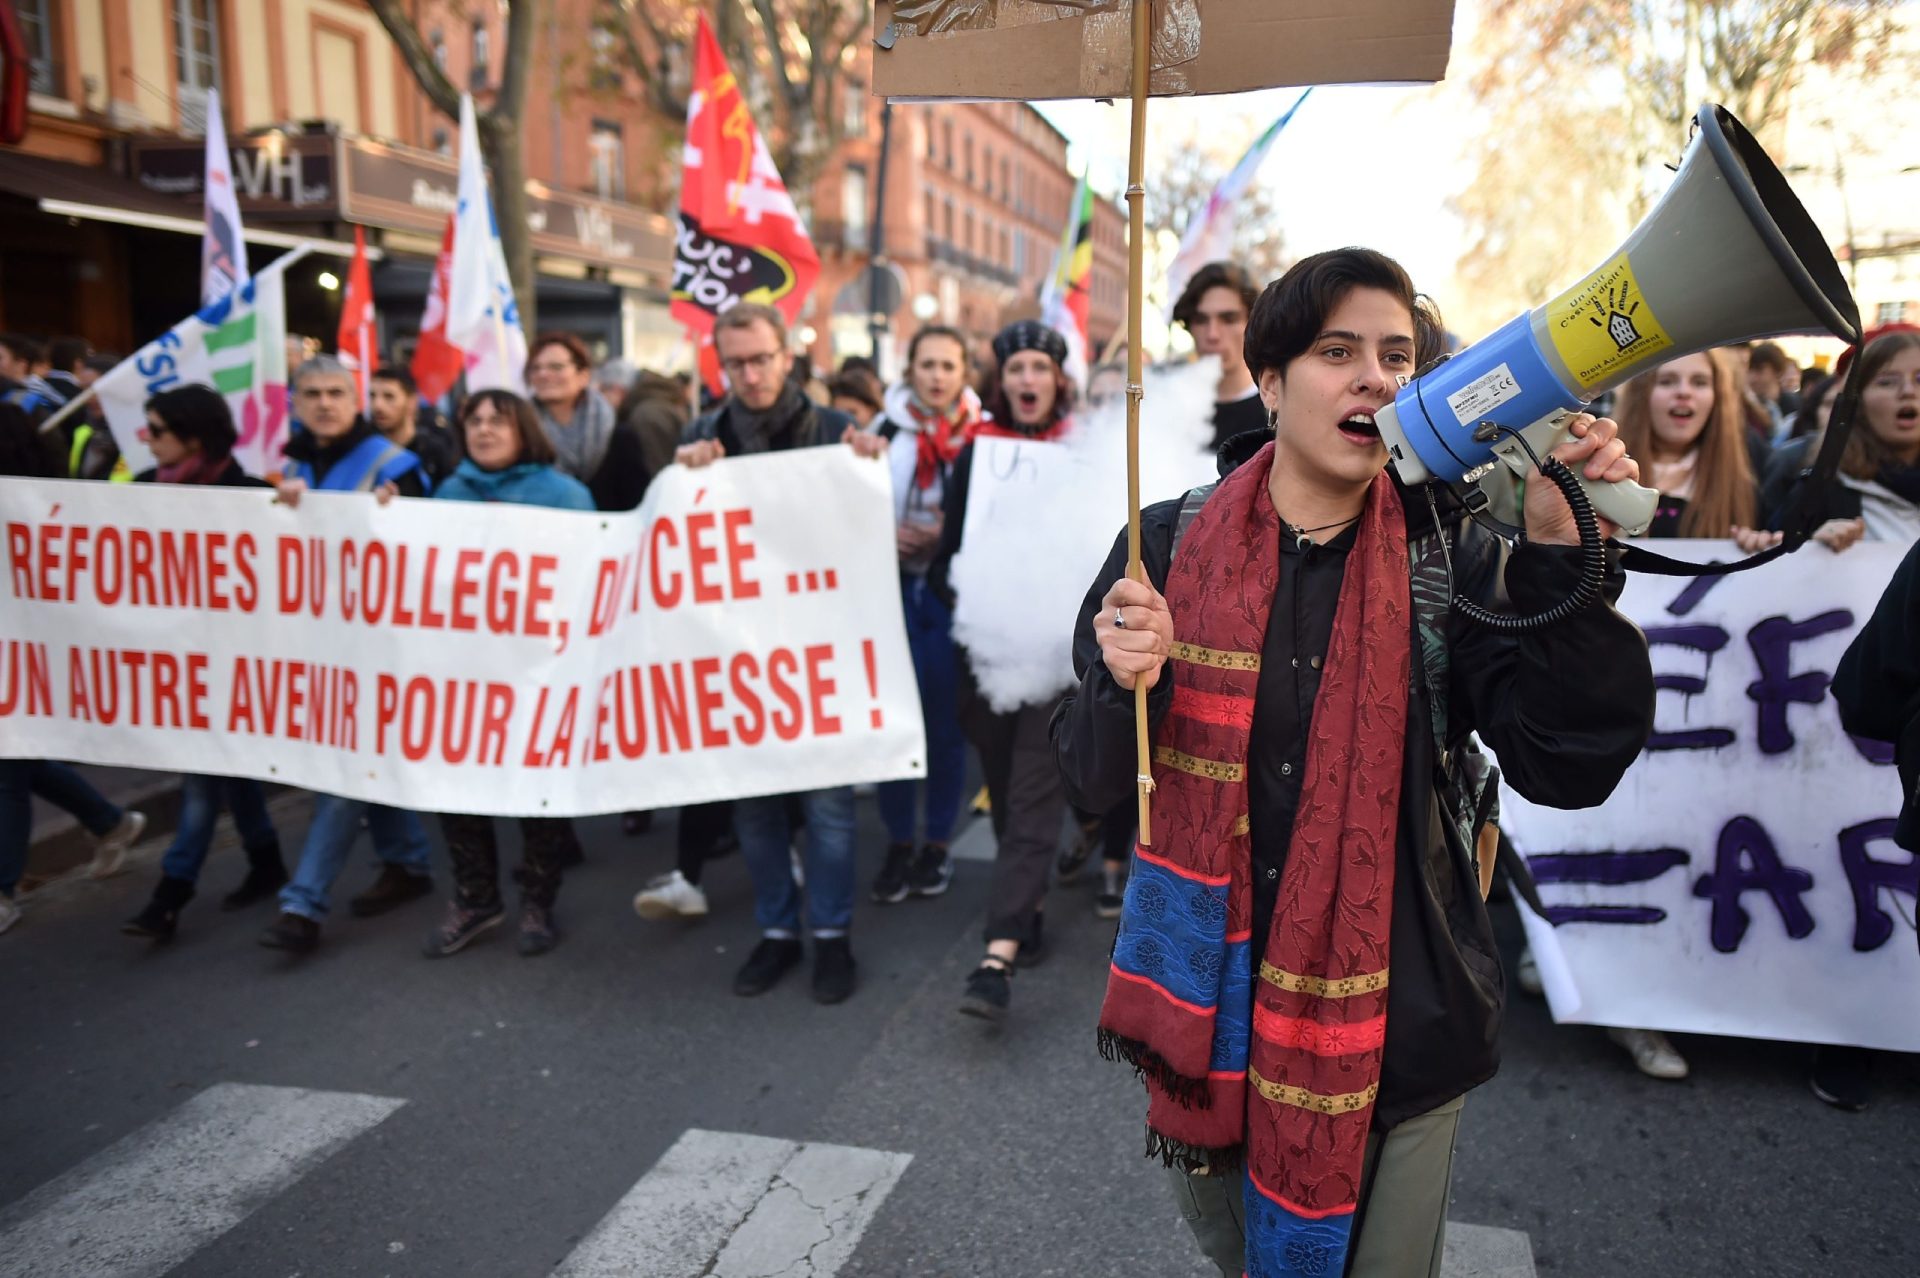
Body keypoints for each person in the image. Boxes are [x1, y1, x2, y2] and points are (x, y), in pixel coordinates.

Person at [1055, 249, 1655, 1278]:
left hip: (1402, 1015)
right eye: (1338, 353)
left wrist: (1566, 563)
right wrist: (1121, 685)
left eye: (1396, 355)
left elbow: (1566, 764)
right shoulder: (1165, 545)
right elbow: (1091, 783)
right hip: (1210, 1013)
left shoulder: (1454, 553)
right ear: (1272, 382)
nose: (1375, 378)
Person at [675, 302, 882, 1003]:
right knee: (755, 808)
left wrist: (867, 471)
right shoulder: (702, 435)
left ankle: (830, 938)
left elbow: (864, 534)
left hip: (819, 656)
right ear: (720, 365)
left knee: (827, 808)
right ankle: (776, 932)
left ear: (787, 356)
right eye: (736, 362)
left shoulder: (835, 434)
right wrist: (681, 477)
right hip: (736, 655)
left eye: (761, 358)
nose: (751, 373)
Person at [1766, 326, 1920, 1111]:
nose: (1911, 395)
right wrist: (1805, 545)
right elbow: (1754, 571)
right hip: (1840, 745)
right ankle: (1852, 1030)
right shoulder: (1818, 485)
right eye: (1893, 381)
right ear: (1859, 400)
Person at [929, 320, 1081, 1022]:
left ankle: (998, 955)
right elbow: (947, 555)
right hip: (984, 652)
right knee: (1002, 786)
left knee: (1033, 791)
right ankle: (1029, 902)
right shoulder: (974, 455)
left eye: (1038, 368)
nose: (1027, 379)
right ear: (1003, 380)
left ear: (1056, 379)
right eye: (1016, 367)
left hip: (1051, 658)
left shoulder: (1086, 453)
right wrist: (963, 584)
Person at [260, 358, 435, 954]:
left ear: (355, 399)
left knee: (345, 770)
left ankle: (302, 902)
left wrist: (399, 517)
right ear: (295, 401)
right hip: (319, 649)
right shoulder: (289, 467)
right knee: (361, 763)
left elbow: (431, 558)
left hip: (380, 649)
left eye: (337, 392)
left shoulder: (395, 466)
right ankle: (407, 860)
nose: (325, 403)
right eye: (312, 393)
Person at [420, 390, 593, 957]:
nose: (486, 430)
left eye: (499, 420)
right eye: (475, 420)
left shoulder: (565, 497)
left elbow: (592, 581)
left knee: (534, 792)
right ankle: (476, 898)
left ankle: (538, 899)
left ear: (524, 429)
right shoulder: (447, 496)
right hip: (463, 676)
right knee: (458, 791)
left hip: (538, 674)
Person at [119, 386, 287, 940]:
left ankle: (170, 893)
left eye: (158, 431)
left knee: (202, 779)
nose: (148, 440)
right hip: (179, 665)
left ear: (194, 436)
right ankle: (266, 862)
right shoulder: (140, 492)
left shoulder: (251, 495)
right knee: (227, 770)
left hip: (238, 666)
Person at [0, 401, 149, 937]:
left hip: (28, 651)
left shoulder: (45, 509)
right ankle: (111, 822)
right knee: (19, 760)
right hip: (23, 651)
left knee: (8, 767)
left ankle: (2, 889)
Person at [863, 326, 979, 907]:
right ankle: (897, 839)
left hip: (946, 594)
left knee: (942, 721)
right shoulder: (882, 433)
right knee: (893, 718)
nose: (936, 375)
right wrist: (887, 534)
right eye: (926, 363)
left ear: (963, 373)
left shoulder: (984, 438)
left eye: (947, 365)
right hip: (888, 588)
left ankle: (936, 841)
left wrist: (943, 537)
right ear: (910, 369)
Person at [527, 332, 650, 512]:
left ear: (583, 376)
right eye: (535, 368)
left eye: (556, 367)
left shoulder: (618, 437)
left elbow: (638, 504)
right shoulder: (519, 436)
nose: (543, 374)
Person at [1172, 262, 1267, 450]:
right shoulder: (1171, 408)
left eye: (1228, 319)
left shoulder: (1278, 412)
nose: (1212, 334)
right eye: (1201, 320)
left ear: (1253, 324)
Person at [368, 367, 459, 487]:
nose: (377, 405)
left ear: (412, 401)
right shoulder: (364, 449)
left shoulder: (435, 452)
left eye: (389, 396)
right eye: (372, 396)